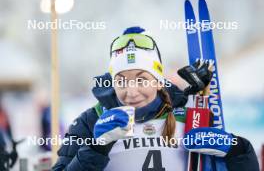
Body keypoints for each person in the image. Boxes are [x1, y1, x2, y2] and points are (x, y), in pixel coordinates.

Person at [52, 27, 259, 171]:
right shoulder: (91, 120)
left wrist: (238, 149)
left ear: (159, 81)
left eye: (141, 80)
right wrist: (98, 147)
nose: (131, 92)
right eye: (121, 81)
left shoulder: (190, 115)